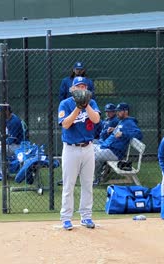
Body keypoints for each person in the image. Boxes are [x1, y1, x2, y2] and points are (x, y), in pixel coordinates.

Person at [58, 76, 100, 230]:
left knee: (87, 184)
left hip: (88, 148)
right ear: (72, 89)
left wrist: (86, 104)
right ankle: (66, 218)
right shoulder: (65, 104)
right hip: (71, 148)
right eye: (78, 87)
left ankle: (86, 216)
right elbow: (65, 124)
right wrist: (77, 107)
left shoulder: (92, 103)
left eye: (84, 87)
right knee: (68, 185)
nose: (81, 89)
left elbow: (96, 120)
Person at [94, 103, 142, 184]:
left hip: (115, 152)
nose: (117, 113)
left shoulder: (129, 122)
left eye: (119, 111)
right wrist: (114, 129)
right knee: (87, 149)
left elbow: (139, 134)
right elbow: (121, 130)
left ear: (125, 111)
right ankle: (95, 175)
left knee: (93, 156)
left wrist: (123, 134)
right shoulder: (122, 121)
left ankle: (97, 179)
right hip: (107, 147)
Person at [0, 104, 24, 181]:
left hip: (18, 146)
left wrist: (1, 143)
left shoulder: (14, 121)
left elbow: (11, 140)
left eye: (0, 111)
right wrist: (2, 142)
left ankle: (4, 173)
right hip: (12, 143)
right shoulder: (8, 119)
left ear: (6, 112)